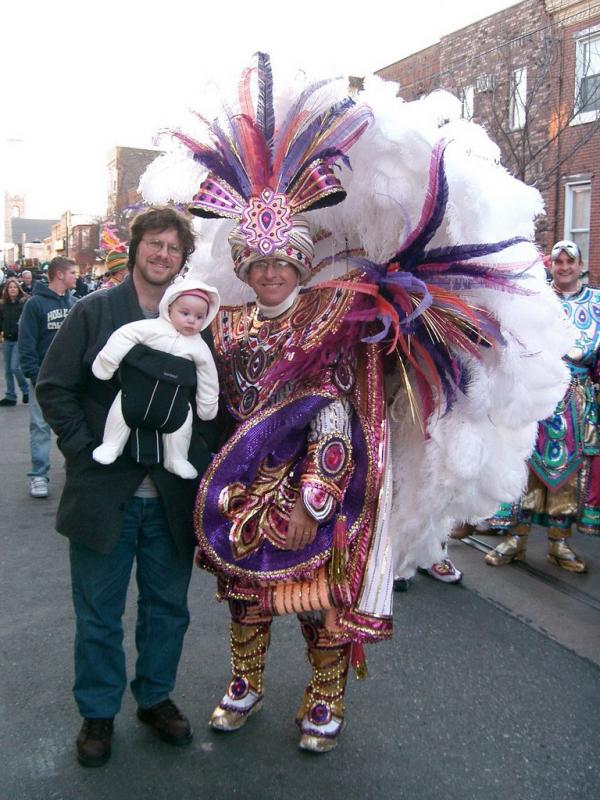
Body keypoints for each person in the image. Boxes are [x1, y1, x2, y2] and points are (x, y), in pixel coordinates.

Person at [36, 206, 221, 768]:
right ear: (136, 246)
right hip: (104, 496)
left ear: (181, 259)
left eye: (173, 248)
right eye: (154, 244)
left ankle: (155, 698)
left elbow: (212, 407)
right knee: (98, 612)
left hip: (169, 496)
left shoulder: (196, 320)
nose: (162, 255)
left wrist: (201, 456)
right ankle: (97, 712)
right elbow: (53, 387)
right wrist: (83, 452)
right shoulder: (94, 312)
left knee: (167, 609)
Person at [485, 240, 600, 571]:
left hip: (576, 403)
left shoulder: (595, 305)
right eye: (558, 261)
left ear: (580, 266)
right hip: (533, 396)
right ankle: (515, 539)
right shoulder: (536, 299)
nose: (564, 267)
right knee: (523, 464)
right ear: (550, 265)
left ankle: (559, 544)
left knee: (570, 471)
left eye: (570, 262)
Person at [91, 277, 220, 479]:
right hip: (133, 398)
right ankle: (112, 444)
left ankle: (176, 458)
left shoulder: (199, 346)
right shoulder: (151, 328)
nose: (191, 320)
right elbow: (124, 335)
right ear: (169, 308)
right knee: (119, 415)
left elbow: (209, 377)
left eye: (199, 317)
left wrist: (207, 405)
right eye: (185, 313)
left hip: (174, 407)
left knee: (180, 429)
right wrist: (107, 363)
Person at [18, 256, 77, 497]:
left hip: (71, 379)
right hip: (43, 377)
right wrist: (33, 373)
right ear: (60, 274)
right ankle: (39, 475)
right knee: (41, 427)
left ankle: (73, 467)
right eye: (72, 272)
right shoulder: (34, 305)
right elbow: (27, 342)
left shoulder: (76, 303)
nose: (76, 276)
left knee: (72, 425)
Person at [0, 278, 30, 406]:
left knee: (15, 367)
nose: (12, 289)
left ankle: (26, 390)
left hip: (19, 339)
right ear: (6, 290)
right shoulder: (3, 305)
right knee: (7, 370)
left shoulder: (24, 303)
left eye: (14, 287)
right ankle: (10, 396)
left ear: (18, 289)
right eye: (10, 287)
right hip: (7, 339)